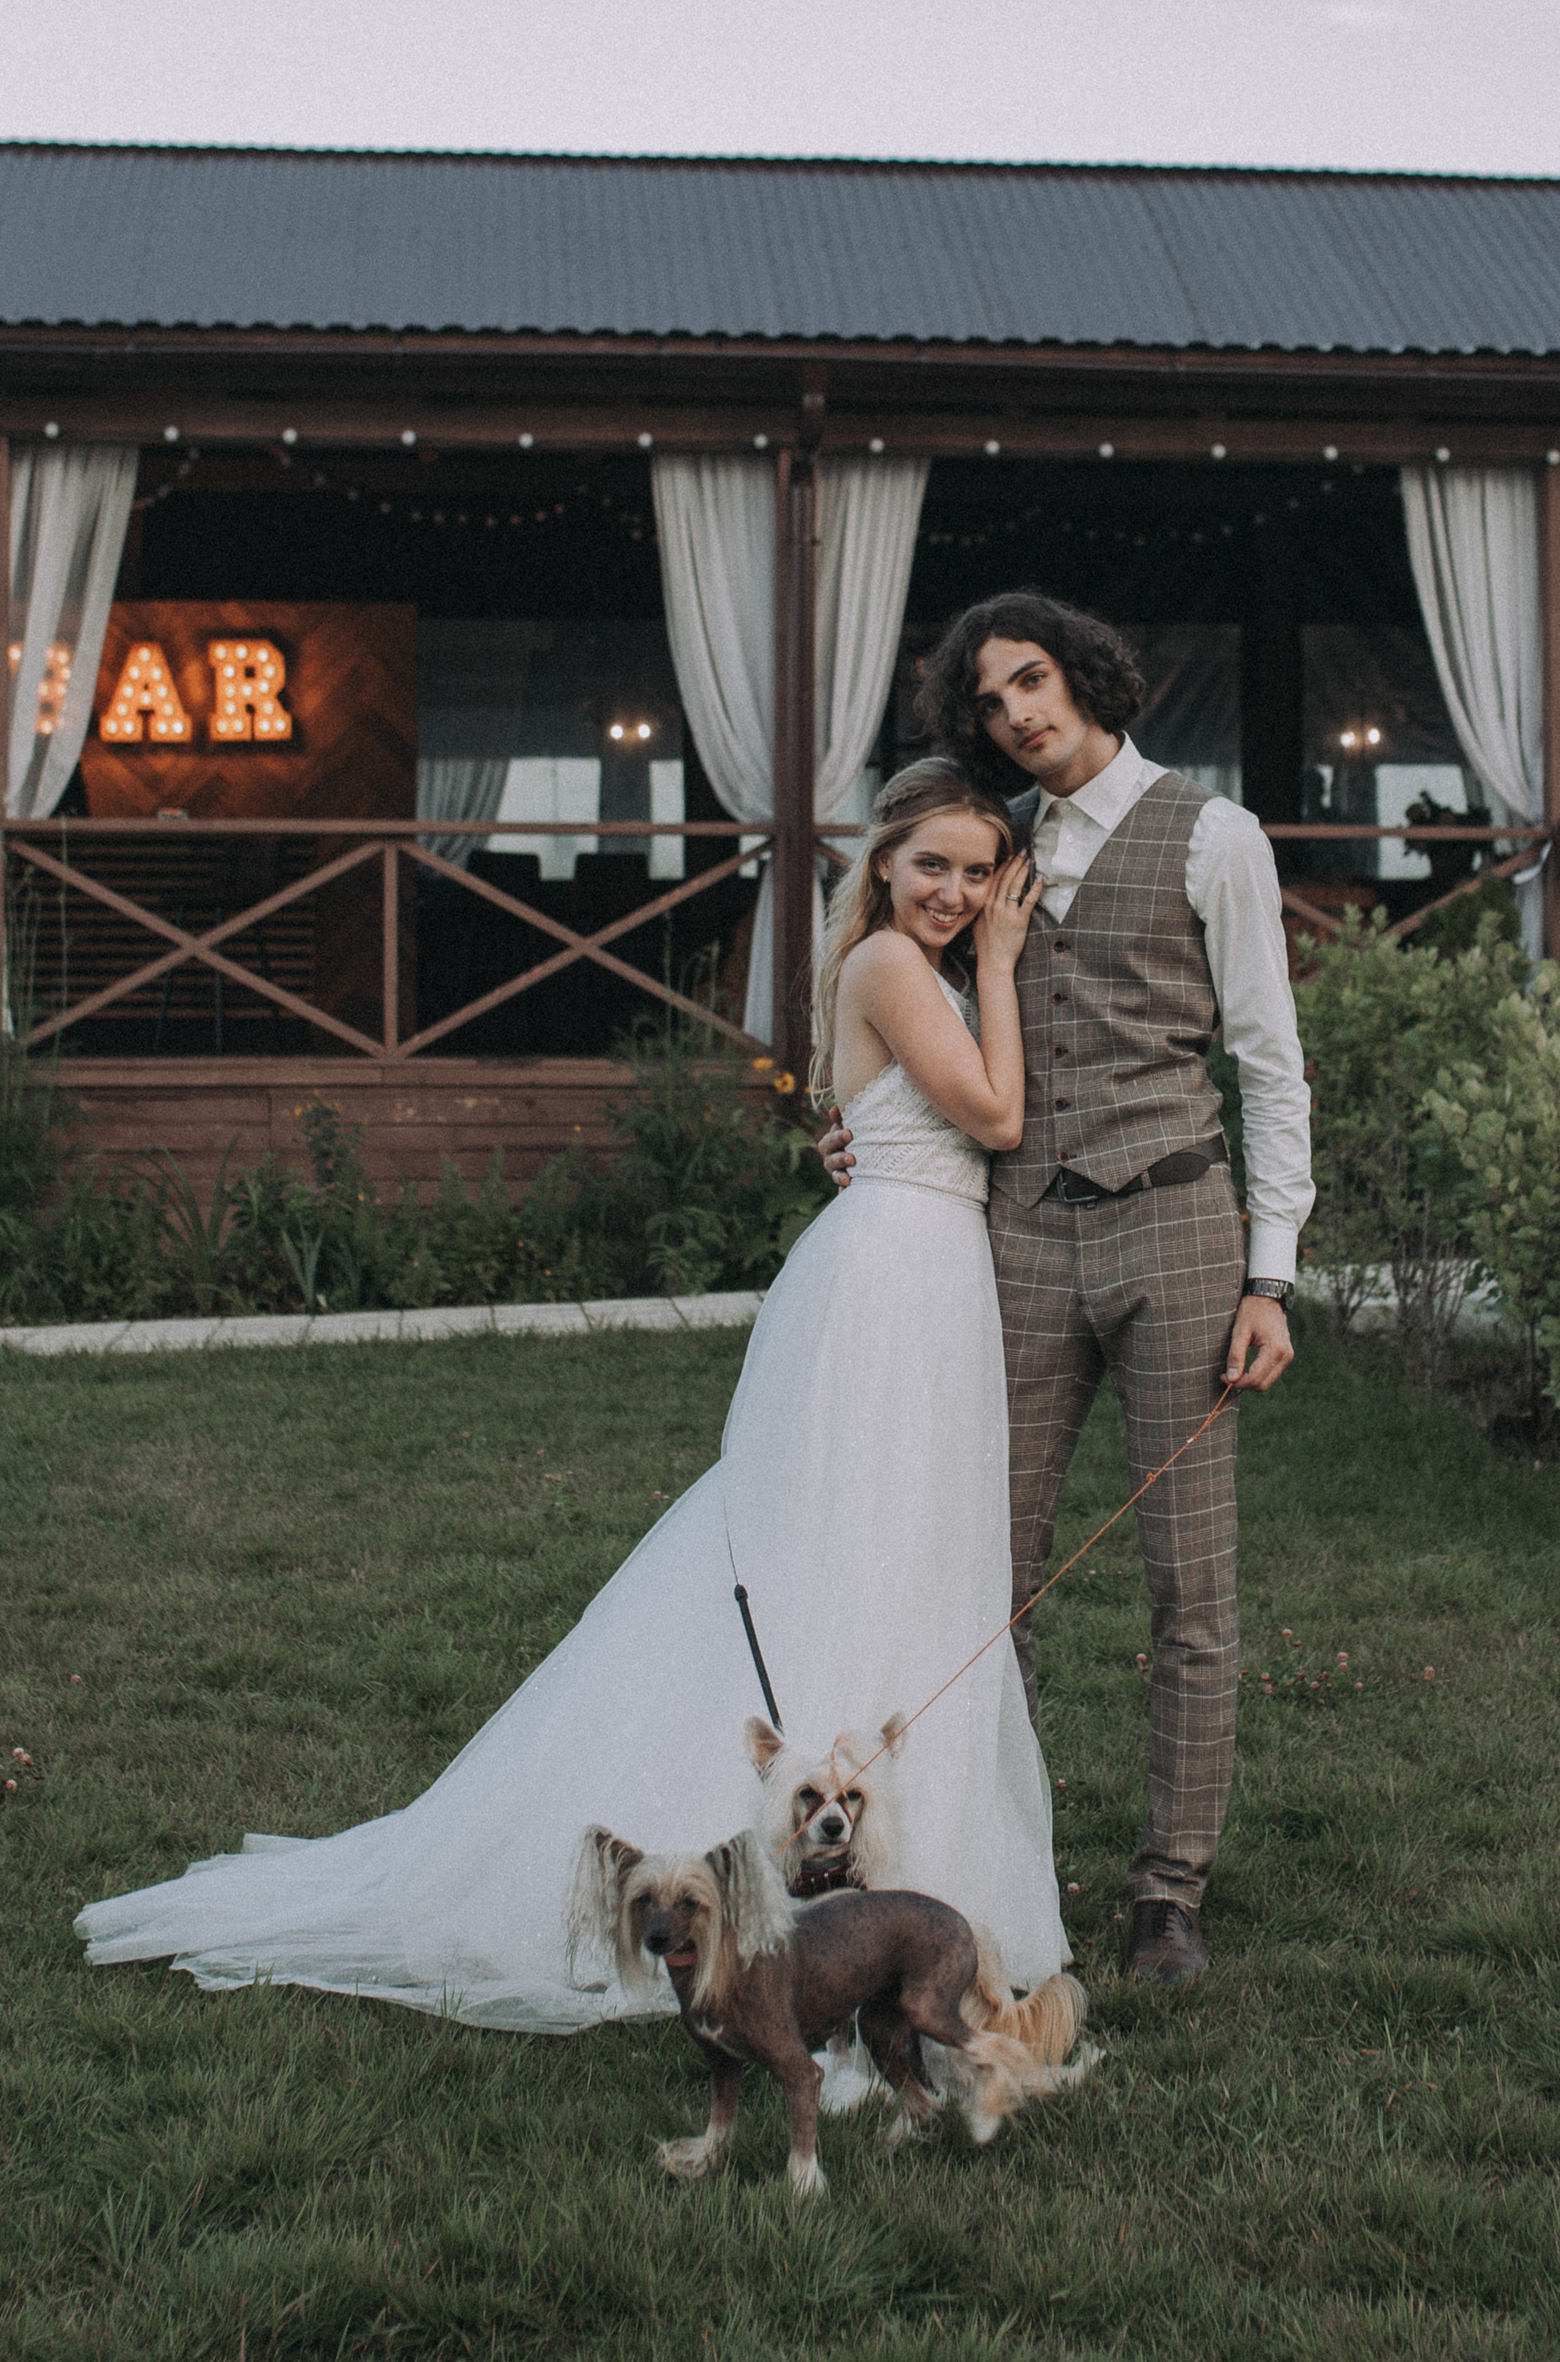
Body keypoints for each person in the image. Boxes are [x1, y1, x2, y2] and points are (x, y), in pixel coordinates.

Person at [78, 761, 1067, 2033]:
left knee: (903, 1556)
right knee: (844, 1543)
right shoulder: (890, 963)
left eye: (981, 873)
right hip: (889, 1287)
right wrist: (998, 958)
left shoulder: (903, 970)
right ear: (882, 864)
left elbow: (894, 1118)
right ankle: (809, 1866)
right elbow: (990, 1114)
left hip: (929, 1279)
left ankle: (886, 1880)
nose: (957, 891)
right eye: (932, 864)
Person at [824, 593, 1312, 1991]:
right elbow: (900, 1014)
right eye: (989, 701)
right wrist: (851, 1122)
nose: (1018, 714)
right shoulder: (988, 856)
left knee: (1189, 1586)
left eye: (1031, 679)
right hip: (1020, 1237)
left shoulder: (1216, 839)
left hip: (1178, 1236)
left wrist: (1270, 1276)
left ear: (1086, 673)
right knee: (992, 1574)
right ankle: (993, 1862)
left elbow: (1270, 1064)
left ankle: (1168, 1893)